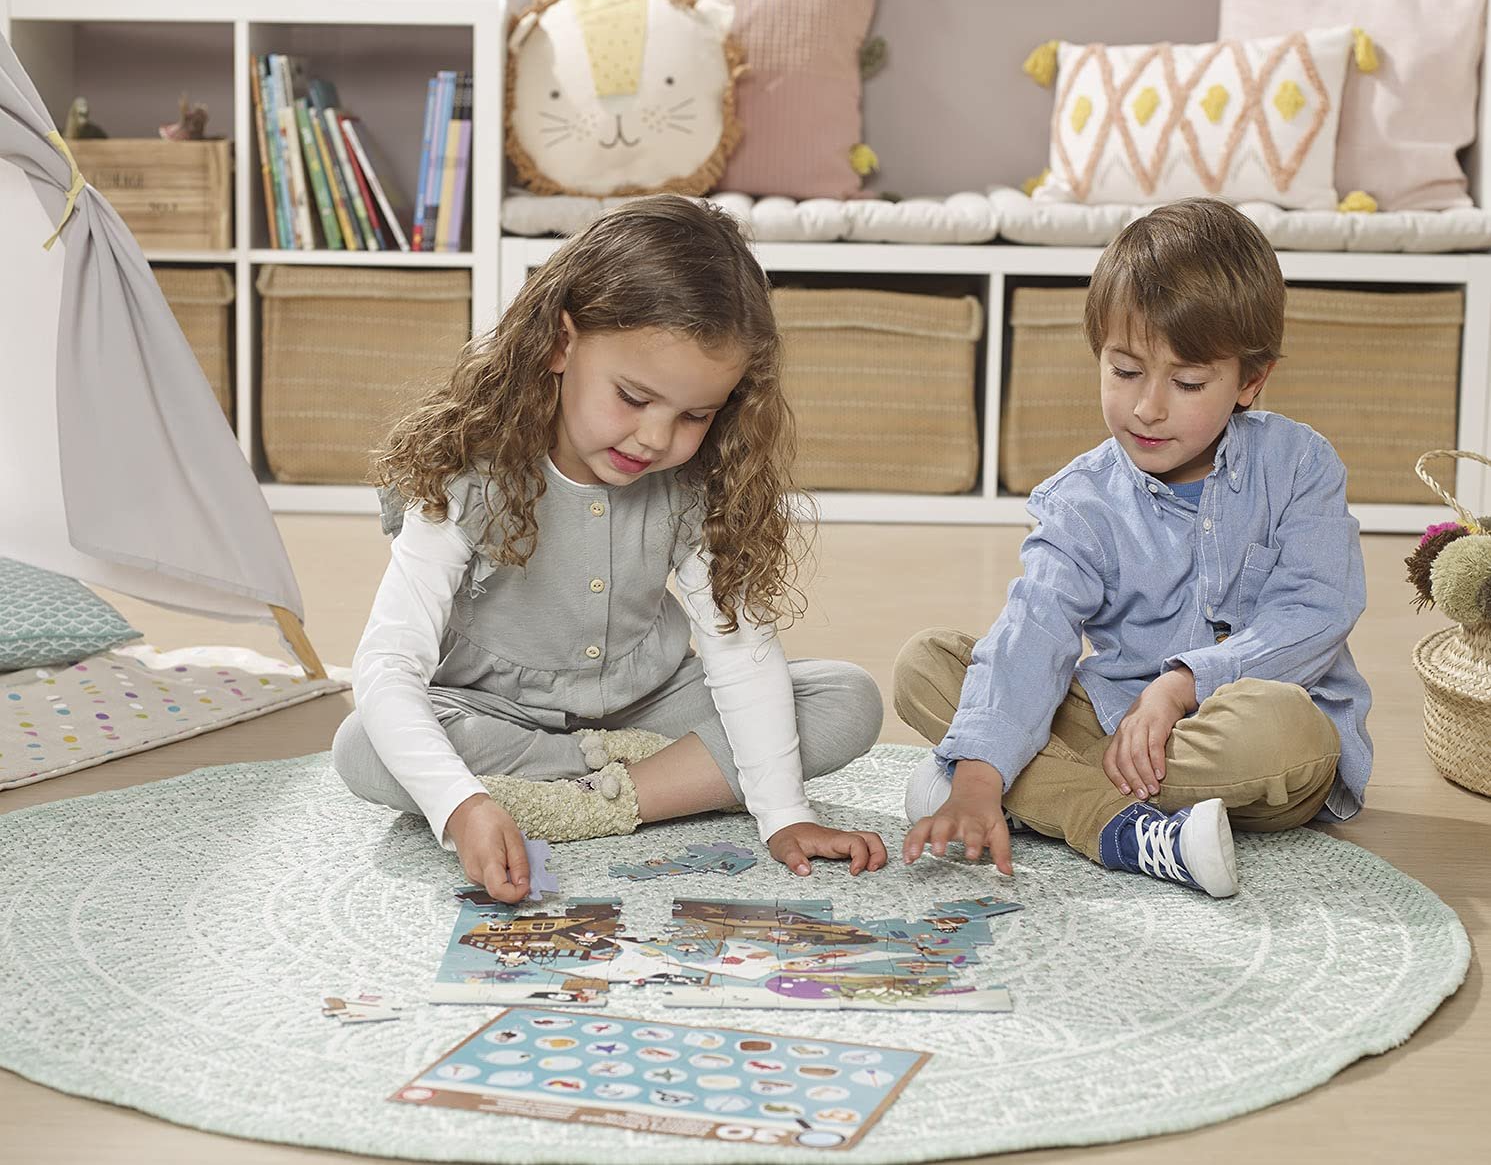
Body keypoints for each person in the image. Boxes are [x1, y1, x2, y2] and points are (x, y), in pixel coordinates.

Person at [333, 196, 886, 902]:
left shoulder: (695, 482)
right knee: (364, 747)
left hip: (645, 706)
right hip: (497, 716)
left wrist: (783, 816)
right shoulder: (464, 476)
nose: (656, 439)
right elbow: (389, 662)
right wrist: (458, 806)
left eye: (693, 415)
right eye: (632, 397)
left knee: (845, 699)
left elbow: (739, 652)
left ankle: (579, 803)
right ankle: (652, 785)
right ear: (560, 344)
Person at [895, 198, 1371, 898]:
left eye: (1184, 383)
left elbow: (1315, 613)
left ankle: (1024, 783)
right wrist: (978, 777)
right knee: (927, 664)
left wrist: (1180, 685)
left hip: (1241, 743)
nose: (1147, 408)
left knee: (1289, 735)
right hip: (1116, 724)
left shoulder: (1300, 465)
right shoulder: (1079, 498)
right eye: (1124, 372)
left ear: (1249, 381)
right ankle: (1115, 825)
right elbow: (1038, 625)